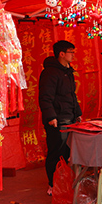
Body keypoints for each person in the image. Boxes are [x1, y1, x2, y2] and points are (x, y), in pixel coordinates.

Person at [38, 40, 82, 195]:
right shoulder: (50, 72)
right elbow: (45, 97)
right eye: (71, 51)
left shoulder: (68, 71)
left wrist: (78, 113)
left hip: (69, 117)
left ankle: (64, 182)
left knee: (67, 152)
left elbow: (71, 95)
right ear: (61, 54)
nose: (73, 55)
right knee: (56, 152)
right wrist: (51, 116)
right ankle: (52, 184)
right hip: (57, 120)